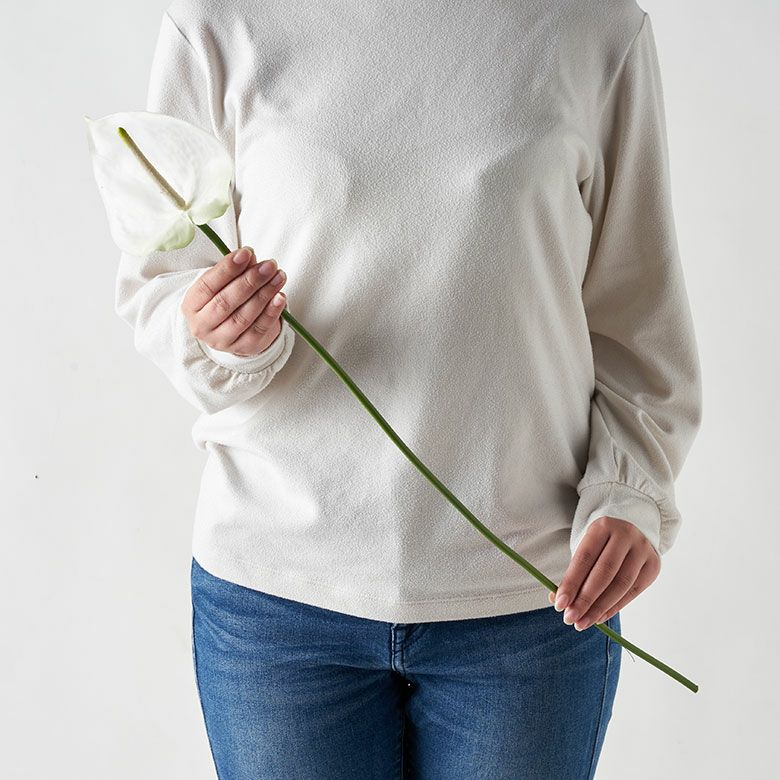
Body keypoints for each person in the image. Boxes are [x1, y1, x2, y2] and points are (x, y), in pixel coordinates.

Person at [114, 1, 703, 777]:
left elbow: (638, 315)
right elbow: (163, 278)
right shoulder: (219, 21)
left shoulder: (592, 27)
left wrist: (629, 492)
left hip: (529, 600)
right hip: (278, 597)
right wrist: (219, 333)